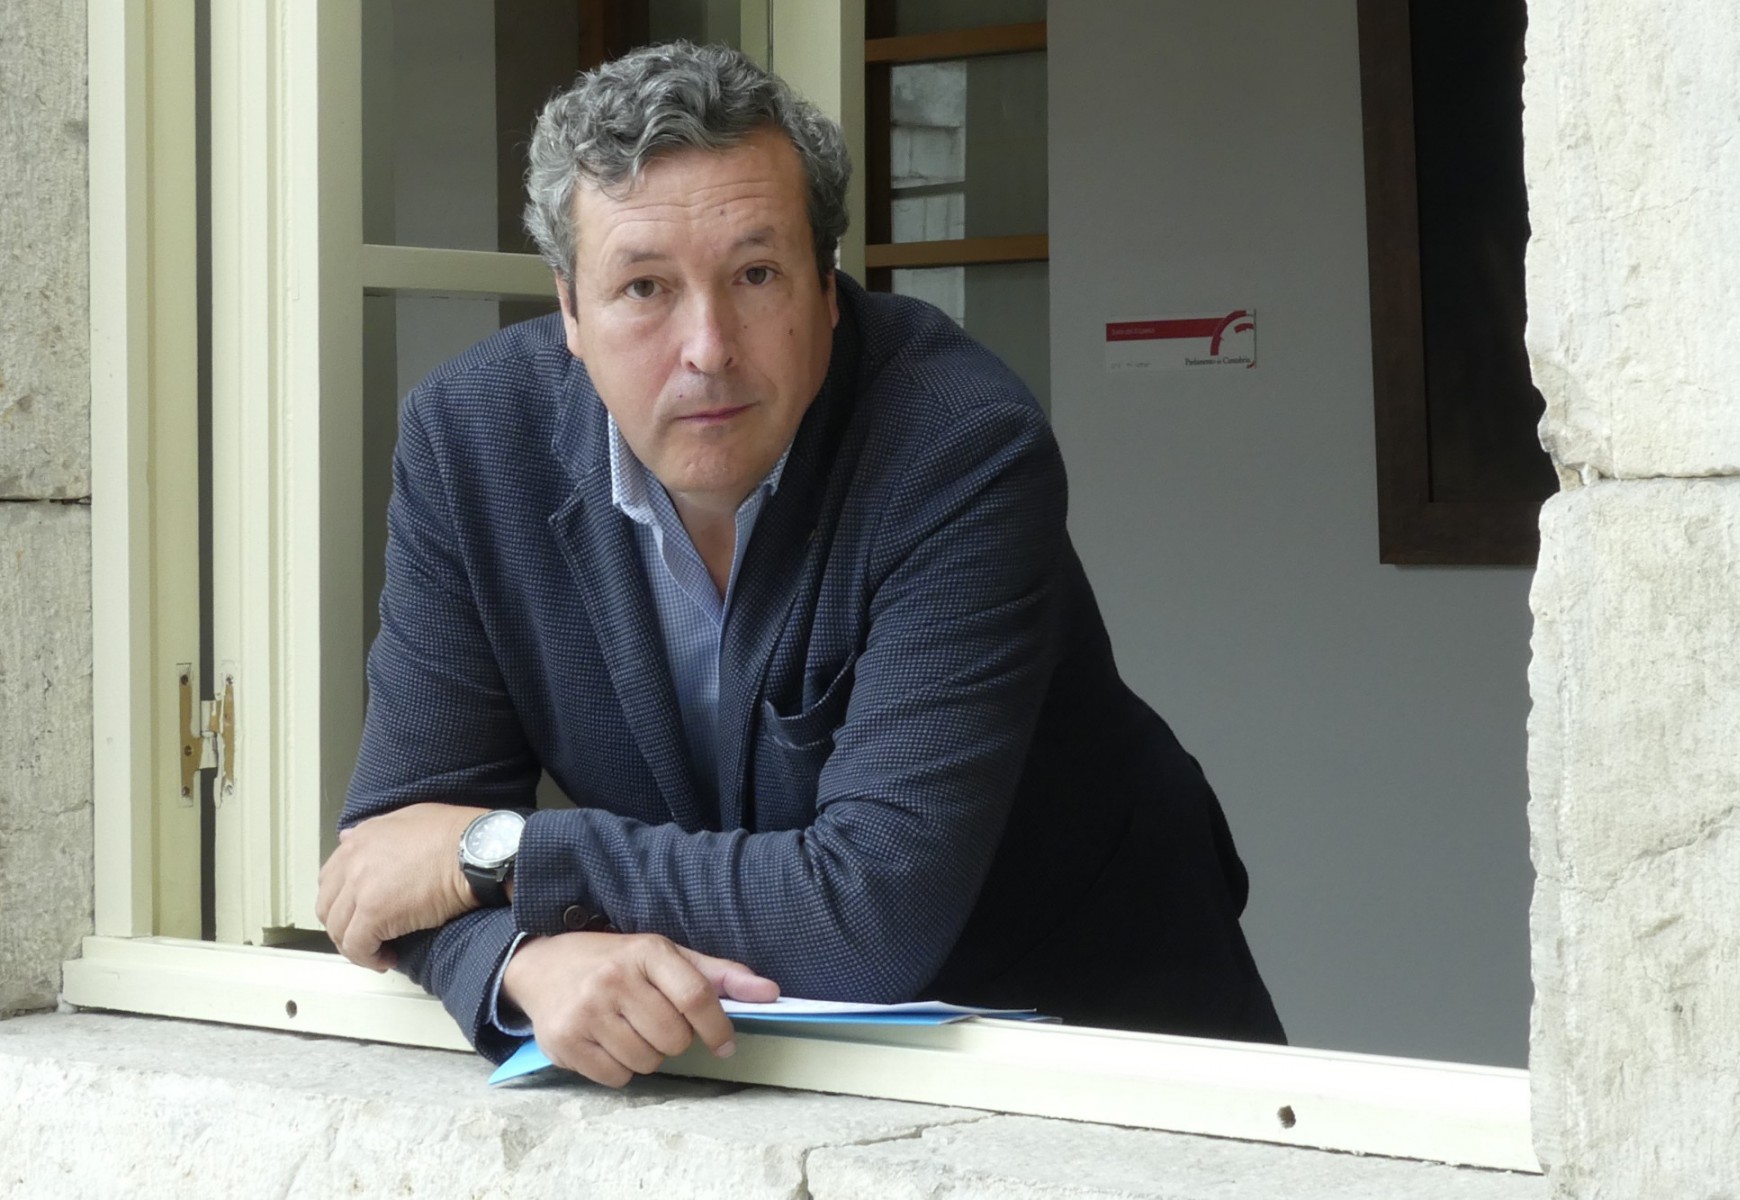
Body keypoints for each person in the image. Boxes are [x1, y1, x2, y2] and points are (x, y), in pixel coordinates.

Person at [318, 41, 1284, 1087]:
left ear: (826, 287)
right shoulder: (468, 443)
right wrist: (525, 961)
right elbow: (389, 866)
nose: (708, 347)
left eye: (755, 274)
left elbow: (872, 913)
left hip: (1083, 1026)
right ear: (570, 312)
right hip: (746, 1055)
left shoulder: (960, 446)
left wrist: (509, 855)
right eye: (643, 287)